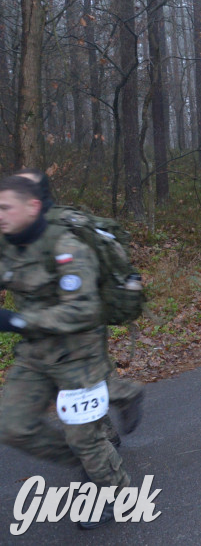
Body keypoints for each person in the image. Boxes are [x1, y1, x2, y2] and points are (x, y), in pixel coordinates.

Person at [0, 176, 130, 529]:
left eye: (6, 207)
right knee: (13, 427)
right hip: (36, 354)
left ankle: (115, 493)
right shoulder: (8, 245)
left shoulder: (66, 246)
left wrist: (19, 321)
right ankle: (87, 462)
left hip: (78, 356)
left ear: (33, 208)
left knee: (84, 438)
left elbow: (83, 310)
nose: (0, 215)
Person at [9, 169, 144, 444]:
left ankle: (111, 419)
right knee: (81, 382)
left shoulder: (62, 226)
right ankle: (105, 430)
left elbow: (85, 279)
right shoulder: (19, 226)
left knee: (78, 383)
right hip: (43, 321)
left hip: (80, 319)